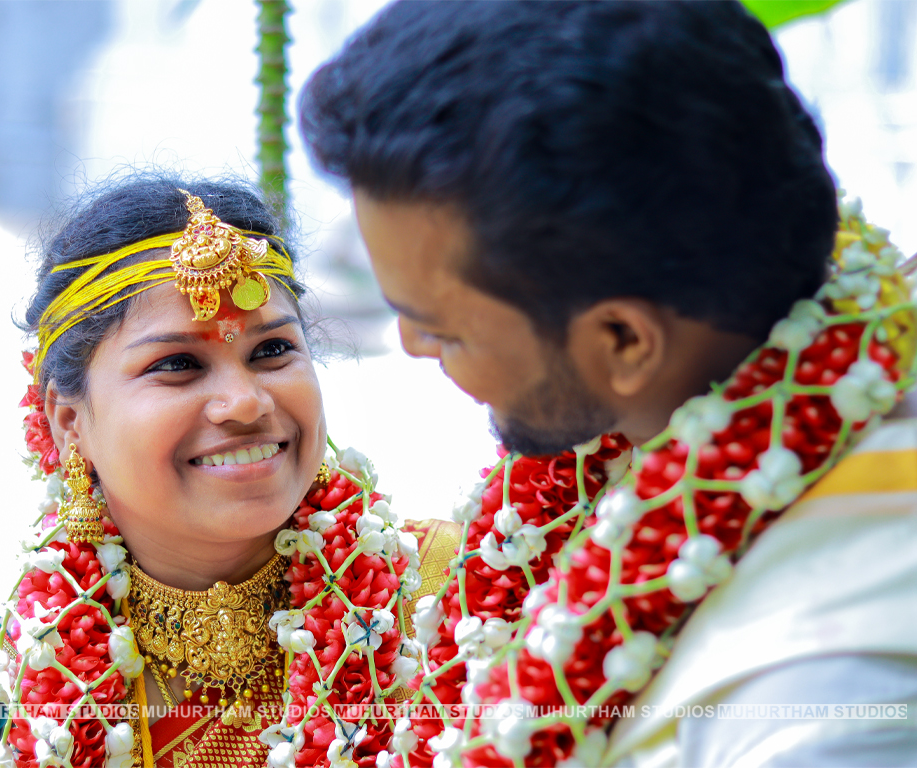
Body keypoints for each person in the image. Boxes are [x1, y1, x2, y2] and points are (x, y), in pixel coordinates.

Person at [300, 1, 917, 767]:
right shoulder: (686, 397)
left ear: (624, 339)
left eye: (444, 329)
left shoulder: (817, 709)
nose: (411, 345)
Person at [0, 175, 486, 768]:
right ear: (69, 420)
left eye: (272, 350)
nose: (247, 402)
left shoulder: (464, 599)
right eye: (178, 364)